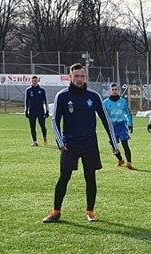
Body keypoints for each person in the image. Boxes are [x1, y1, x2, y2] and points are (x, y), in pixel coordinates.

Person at [42, 63, 119, 223]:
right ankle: (56, 212)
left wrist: (113, 142)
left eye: (82, 76)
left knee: (90, 177)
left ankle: (90, 211)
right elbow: (55, 120)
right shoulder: (62, 96)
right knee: (64, 177)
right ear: (70, 77)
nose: (79, 79)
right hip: (69, 145)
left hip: (89, 144)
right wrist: (60, 142)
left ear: (86, 77)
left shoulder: (94, 96)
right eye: (76, 76)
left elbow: (106, 120)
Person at [103, 82, 134, 169]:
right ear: (110, 91)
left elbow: (128, 113)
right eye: (112, 90)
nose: (114, 91)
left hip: (122, 125)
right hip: (112, 126)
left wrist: (130, 124)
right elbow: (104, 115)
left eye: (116, 89)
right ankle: (120, 160)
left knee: (125, 143)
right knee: (113, 146)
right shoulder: (105, 103)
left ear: (118, 90)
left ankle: (129, 162)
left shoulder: (123, 101)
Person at [25, 75, 49, 146]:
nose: (34, 82)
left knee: (42, 126)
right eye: (33, 81)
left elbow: (46, 101)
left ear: (38, 81)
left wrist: (47, 111)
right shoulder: (28, 90)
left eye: (36, 81)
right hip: (32, 111)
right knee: (32, 126)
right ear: (31, 81)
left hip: (40, 111)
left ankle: (44, 138)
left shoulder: (42, 90)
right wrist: (26, 111)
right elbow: (26, 101)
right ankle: (34, 141)